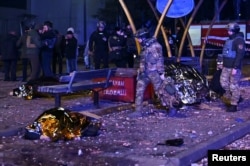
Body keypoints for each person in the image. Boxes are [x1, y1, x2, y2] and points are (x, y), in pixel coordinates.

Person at [130, 28, 177, 117]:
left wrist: (161, 73)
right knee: (139, 91)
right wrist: (141, 69)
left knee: (160, 92)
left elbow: (159, 60)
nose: (138, 40)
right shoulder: (145, 45)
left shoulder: (155, 46)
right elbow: (143, 59)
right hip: (144, 72)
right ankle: (138, 111)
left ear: (144, 37)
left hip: (154, 72)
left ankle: (171, 108)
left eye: (139, 38)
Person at [220, 22, 245, 112]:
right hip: (226, 66)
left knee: (233, 86)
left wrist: (235, 67)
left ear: (234, 31)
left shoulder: (238, 40)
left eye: (230, 30)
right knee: (223, 83)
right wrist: (223, 63)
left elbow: (240, 54)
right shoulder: (229, 39)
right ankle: (237, 97)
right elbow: (226, 53)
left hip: (234, 67)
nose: (228, 32)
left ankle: (234, 105)